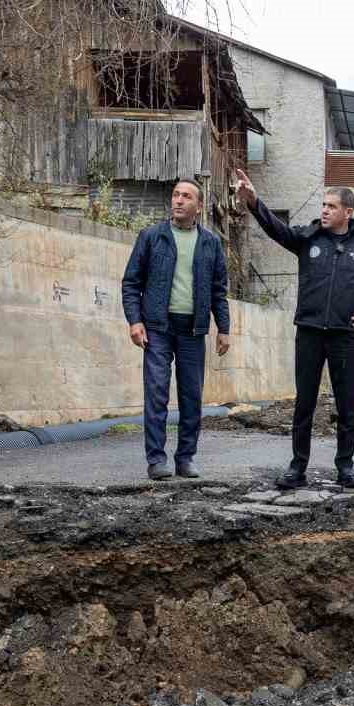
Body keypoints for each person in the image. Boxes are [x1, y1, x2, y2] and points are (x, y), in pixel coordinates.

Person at [235, 169, 354, 489]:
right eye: (323, 205)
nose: (323, 210)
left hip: (344, 335)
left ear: (347, 212)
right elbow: (276, 230)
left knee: (347, 404)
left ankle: (345, 468)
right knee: (304, 403)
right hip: (309, 331)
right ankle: (297, 468)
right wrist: (254, 202)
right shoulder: (309, 237)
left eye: (331, 206)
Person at [121, 178, 231, 480]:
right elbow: (131, 282)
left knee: (191, 397)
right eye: (176, 195)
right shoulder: (152, 236)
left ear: (198, 205)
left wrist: (224, 327)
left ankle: (185, 458)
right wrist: (135, 321)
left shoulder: (210, 243)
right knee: (156, 393)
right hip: (157, 328)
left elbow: (218, 289)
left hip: (193, 330)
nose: (178, 201)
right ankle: (156, 460)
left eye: (186, 196)